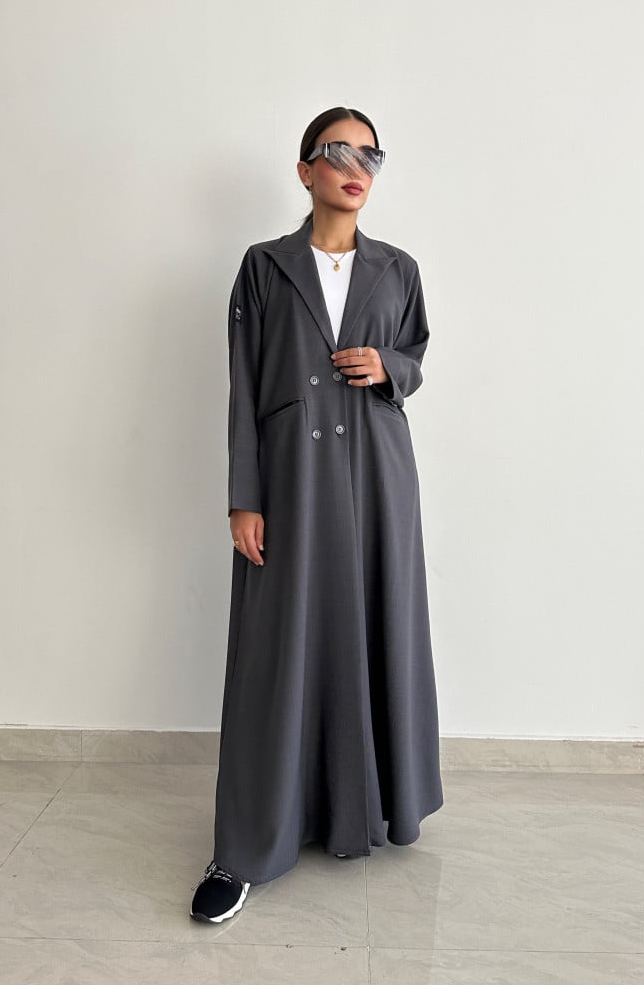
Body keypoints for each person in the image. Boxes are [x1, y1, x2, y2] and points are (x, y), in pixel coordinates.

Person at [190, 106, 443, 923]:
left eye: (370, 155)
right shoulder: (265, 268)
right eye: (338, 151)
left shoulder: (397, 269)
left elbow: (417, 353)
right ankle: (245, 847)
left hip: (378, 474)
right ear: (306, 170)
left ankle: (360, 809)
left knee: (374, 627)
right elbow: (243, 383)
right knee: (277, 649)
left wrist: (390, 366)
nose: (356, 167)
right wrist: (245, 495)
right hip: (292, 479)